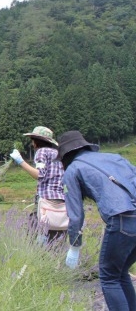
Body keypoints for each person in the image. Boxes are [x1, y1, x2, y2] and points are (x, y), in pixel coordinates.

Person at [58, 130, 136, 311]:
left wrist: (74, 247)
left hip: (123, 218)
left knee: (108, 277)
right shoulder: (114, 158)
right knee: (120, 273)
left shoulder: (73, 170)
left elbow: (76, 215)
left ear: (65, 155)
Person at [9, 126, 67, 245]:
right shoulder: (59, 154)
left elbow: (40, 174)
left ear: (36, 142)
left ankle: (35, 258)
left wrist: (21, 161)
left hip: (45, 200)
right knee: (56, 236)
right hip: (62, 201)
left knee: (32, 234)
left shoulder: (41, 152)